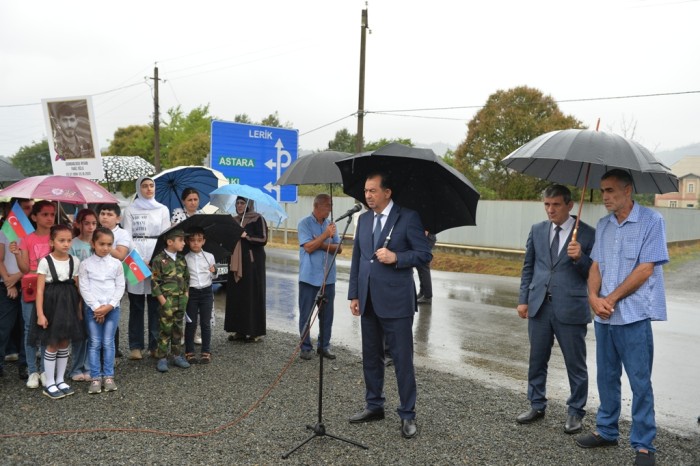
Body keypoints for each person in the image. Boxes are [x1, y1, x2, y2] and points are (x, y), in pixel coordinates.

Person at [575, 169, 669, 466]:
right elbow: (595, 267)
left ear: (628, 191)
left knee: (640, 382)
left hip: (633, 316)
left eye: (611, 191)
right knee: (606, 376)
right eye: (602, 190)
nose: (605, 196)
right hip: (604, 317)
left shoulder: (652, 221)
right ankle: (606, 430)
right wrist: (593, 298)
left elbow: (645, 269)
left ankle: (644, 445)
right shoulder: (603, 225)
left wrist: (610, 298)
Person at [347, 172, 432, 439]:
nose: (368, 196)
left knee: (402, 360)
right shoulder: (362, 220)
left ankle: (408, 414)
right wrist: (354, 294)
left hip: (397, 302)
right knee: (371, 357)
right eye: (366, 191)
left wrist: (396, 256)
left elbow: (423, 254)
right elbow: (358, 260)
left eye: (373, 191)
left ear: (387, 192)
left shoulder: (408, 217)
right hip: (369, 299)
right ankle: (374, 405)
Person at [515, 184, 595, 435]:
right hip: (539, 306)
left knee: (575, 364)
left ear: (570, 205)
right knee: (537, 360)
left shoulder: (589, 234)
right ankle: (536, 404)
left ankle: (575, 412)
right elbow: (529, 267)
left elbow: (595, 274)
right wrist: (523, 298)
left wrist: (580, 257)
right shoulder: (537, 230)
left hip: (570, 307)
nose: (550, 210)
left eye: (556, 205)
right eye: (547, 205)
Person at [29, 225, 83, 399]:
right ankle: (50, 382)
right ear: (52, 242)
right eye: (61, 240)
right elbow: (39, 291)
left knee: (65, 341)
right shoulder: (46, 261)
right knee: (52, 342)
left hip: (69, 305)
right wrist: (40, 314)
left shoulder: (75, 261)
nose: (66, 244)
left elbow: (78, 287)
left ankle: (60, 379)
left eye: (68, 240)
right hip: (51, 306)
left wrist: (79, 310)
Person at [122, 177, 170, 361]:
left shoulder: (162, 209)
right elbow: (127, 235)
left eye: (151, 185)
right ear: (139, 188)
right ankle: (135, 346)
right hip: (134, 257)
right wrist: (140, 260)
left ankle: (155, 345)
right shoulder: (130, 209)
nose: (149, 189)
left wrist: (155, 259)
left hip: (156, 256)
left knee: (155, 302)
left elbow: (165, 237)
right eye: (144, 186)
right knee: (135, 303)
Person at [11, 200, 55, 389]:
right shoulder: (27, 239)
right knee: (30, 329)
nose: (49, 218)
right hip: (30, 287)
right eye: (45, 214)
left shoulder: (56, 237)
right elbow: (25, 268)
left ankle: (46, 370)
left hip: (51, 287)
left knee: (47, 328)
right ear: (34, 217)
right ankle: (32, 371)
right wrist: (16, 254)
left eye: (52, 214)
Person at [79, 227, 125, 394]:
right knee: (95, 342)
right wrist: (96, 308)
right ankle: (95, 377)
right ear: (93, 243)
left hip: (111, 308)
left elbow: (120, 286)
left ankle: (109, 376)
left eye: (109, 244)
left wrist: (109, 306)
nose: (105, 248)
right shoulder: (85, 264)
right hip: (93, 308)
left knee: (108, 341)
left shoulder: (117, 264)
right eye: (101, 244)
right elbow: (84, 287)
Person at [297, 194, 342, 361]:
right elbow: (308, 247)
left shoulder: (331, 225)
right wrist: (325, 236)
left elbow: (339, 249)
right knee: (306, 315)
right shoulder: (304, 223)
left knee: (327, 315)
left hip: (328, 278)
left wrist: (320, 243)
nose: (330, 208)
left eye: (330, 205)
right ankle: (305, 347)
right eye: (327, 205)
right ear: (317, 206)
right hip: (309, 278)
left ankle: (324, 346)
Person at [224, 197, 268, 343]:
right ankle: (239, 331)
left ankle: (255, 332)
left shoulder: (257, 218)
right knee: (237, 296)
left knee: (252, 296)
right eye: (237, 203)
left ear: (249, 204)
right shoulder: (235, 220)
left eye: (242, 203)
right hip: (236, 263)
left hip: (252, 264)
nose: (239, 205)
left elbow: (263, 239)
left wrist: (246, 236)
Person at [0, 198, 33, 380]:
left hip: (25, 281)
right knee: (3, 326)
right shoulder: (5, 230)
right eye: (25, 208)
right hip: (6, 284)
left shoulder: (31, 231)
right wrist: (8, 282)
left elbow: (31, 263)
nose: (28, 211)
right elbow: (0, 259)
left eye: (30, 208)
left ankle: (25, 364)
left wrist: (16, 279)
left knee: (26, 326)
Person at [150, 228, 190, 372]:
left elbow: (186, 278)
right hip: (166, 301)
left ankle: (177, 355)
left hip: (180, 300)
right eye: (181, 240)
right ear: (170, 242)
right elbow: (154, 281)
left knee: (178, 328)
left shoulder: (181, 258)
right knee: (165, 329)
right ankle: (162, 357)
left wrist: (186, 295)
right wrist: (163, 301)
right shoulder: (158, 259)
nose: (184, 243)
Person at [96, 203, 132, 358]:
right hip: (95, 279)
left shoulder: (123, 234)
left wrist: (104, 242)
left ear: (118, 218)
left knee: (112, 314)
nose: (105, 216)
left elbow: (121, 254)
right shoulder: (95, 231)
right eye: (102, 213)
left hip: (113, 281)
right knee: (96, 313)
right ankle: (96, 352)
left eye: (109, 214)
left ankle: (113, 351)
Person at [67, 208, 97, 382]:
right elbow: (71, 270)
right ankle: (76, 367)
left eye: (94, 223)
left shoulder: (99, 242)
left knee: (93, 333)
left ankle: (89, 366)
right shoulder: (73, 244)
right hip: (77, 292)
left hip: (96, 293)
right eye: (87, 223)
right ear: (78, 224)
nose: (91, 227)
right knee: (79, 333)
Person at [170, 187, 204, 346]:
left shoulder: (203, 215)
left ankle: (194, 332)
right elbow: (174, 233)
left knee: (196, 297)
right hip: (182, 258)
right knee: (182, 297)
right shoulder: (178, 214)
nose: (193, 202)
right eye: (189, 200)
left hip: (197, 258)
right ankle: (180, 333)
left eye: (195, 199)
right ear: (184, 201)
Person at [183, 227, 216, 364]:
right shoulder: (185, 258)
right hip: (192, 292)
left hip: (206, 291)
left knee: (205, 322)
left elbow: (214, 275)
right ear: (188, 242)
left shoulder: (209, 256)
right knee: (191, 322)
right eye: (192, 240)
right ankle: (189, 351)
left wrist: (214, 271)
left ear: (204, 241)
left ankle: (206, 351)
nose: (196, 243)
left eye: (199, 240)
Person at [416, 231, 436, 305]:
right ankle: (422, 292)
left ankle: (427, 296)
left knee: (423, 266)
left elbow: (426, 224)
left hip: (426, 237)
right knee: (419, 265)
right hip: (425, 237)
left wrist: (424, 235)